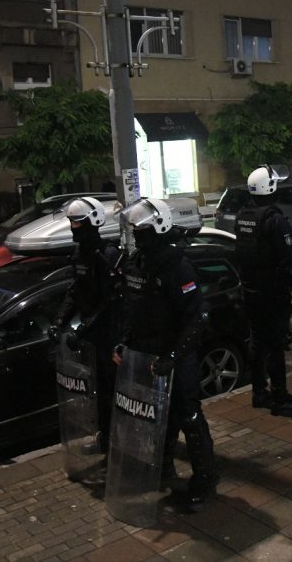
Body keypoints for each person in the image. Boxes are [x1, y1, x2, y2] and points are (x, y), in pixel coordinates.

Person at [118, 198, 218, 512]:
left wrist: (173, 356)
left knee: (188, 414)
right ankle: (163, 468)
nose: (137, 234)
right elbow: (133, 309)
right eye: (135, 229)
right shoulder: (138, 262)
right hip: (147, 354)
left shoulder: (177, 265)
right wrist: (124, 343)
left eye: (143, 229)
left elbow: (194, 318)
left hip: (176, 356)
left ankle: (205, 479)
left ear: (160, 225)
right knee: (158, 416)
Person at [48, 196, 122, 452]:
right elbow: (75, 291)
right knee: (97, 391)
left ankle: (118, 444)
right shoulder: (80, 253)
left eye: (77, 222)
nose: (72, 227)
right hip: (90, 335)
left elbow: (112, 300)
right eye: (71, 222)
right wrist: (59, 321)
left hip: (108, 334)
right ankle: (105, 440)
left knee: (111, 391)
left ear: (93, 222)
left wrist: (84, 328)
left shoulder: (108, 254)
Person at [234, 165, 292, 416]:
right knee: (275, 345)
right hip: (272, 292)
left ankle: (258, 392)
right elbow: (286, 257)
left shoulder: (244, 216)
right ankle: (279, 395)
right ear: (270, 188)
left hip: (251, 290)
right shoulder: (273, 219)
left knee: (257, 343)